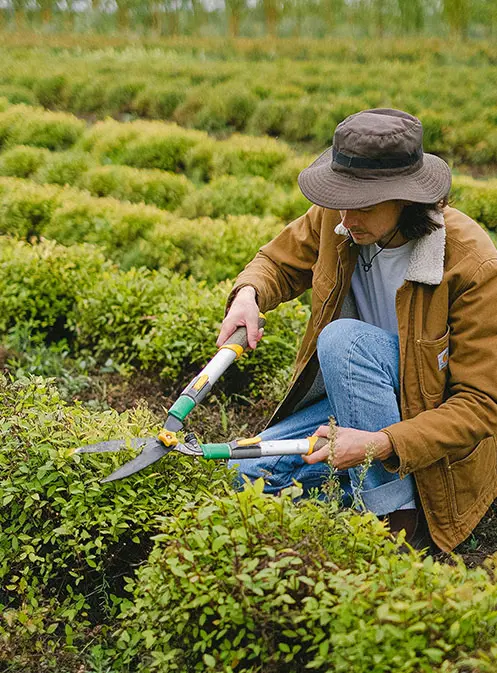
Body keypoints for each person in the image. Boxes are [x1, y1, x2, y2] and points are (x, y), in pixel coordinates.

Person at [216, 108, 497, 553]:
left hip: (427, 420)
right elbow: (276, 262)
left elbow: (481, 405)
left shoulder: (471, 263)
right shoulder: (338, 218)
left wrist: (380, 443)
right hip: (359, 394)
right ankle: (357, 490)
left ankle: (397, 518)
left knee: (344, 341)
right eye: (340, 199)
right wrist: (248, 294)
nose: (345, 218)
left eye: (362, 205)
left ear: (406, 199)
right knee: (243, 473)